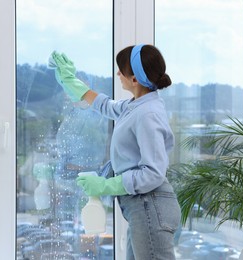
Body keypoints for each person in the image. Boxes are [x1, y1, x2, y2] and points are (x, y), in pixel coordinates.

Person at [51, 44, 182, 260]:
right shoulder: (137, 105)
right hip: (145, 207)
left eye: (121, 70)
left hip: (151, 205)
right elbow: (106, 106)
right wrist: (71, 82)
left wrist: (107, 186)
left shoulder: (147, 115)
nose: (118, 73)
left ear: (135, 79)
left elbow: (153, 173)